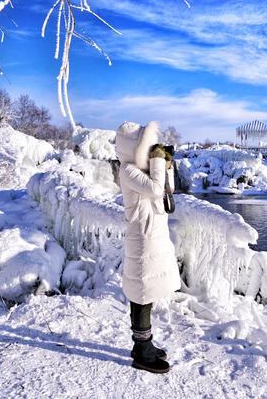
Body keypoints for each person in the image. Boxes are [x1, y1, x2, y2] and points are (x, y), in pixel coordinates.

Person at [114, 121, 181, 374]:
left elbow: (167, 189)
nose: (153, 149)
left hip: (154, 234)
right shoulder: (128, 169)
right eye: (149, 146)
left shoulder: (142, 169)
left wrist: (167, 165)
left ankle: (143, 343)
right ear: (134, 148)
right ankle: (142, 349)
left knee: (149, 289)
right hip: (142, 238)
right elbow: (154, 189)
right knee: (142, 292)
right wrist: (156, 163)